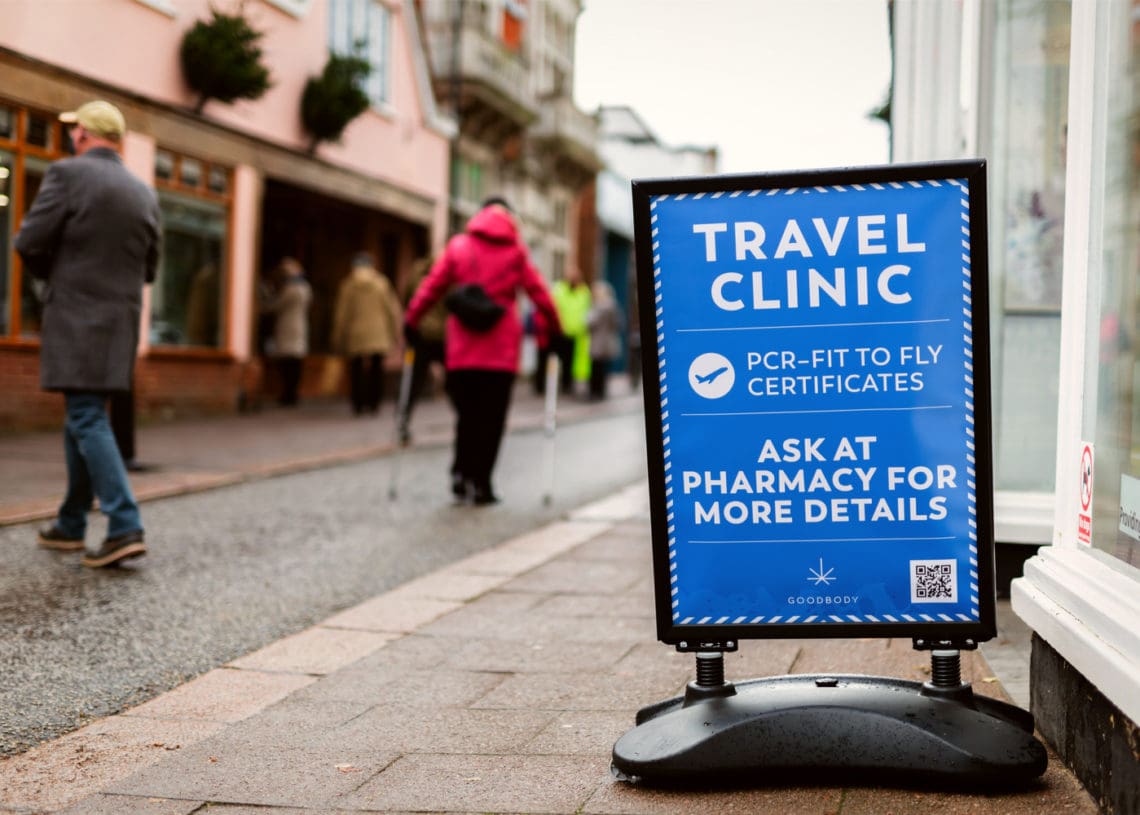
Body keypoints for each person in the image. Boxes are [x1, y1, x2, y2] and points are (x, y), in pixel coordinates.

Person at [14, 100, 160, 568]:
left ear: (83, 135)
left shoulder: (67, 174)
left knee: (86, 417)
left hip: (76, 316)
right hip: (119, 323)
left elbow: (28, 241)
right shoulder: (144, 192)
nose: (70, 137)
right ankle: (72, 522)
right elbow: (151, 268)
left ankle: (124, 524)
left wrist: (50, 281)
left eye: (73, 129)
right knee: (84, 413)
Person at [403, 196, 562, 505]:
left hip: (462, 350)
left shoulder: (459, 246)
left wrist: (412, 320)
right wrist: (553, 329)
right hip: (500, 353)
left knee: (466, 416)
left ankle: (460, 474)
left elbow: (431, 286)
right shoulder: (515, 251)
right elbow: (538, 293)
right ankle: (483, 483)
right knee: (492, 419)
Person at [331, 252, 402, 415]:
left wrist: (338, 337)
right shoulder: (382, 283)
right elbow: (391, 310)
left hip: (355, 334)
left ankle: (357, 405)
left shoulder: (348, 285)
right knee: (376, 369)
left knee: (356, 370)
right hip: (379, 333)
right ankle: (374, 404)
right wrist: (394, 334)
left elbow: (341, 314)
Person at [399, 253, 447, 442]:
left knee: (413, 381)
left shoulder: (416, 273)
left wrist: (410, 324)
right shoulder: (447, 276)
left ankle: (402, 420)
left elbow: (408, 301)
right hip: (441, 335)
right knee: (455, 382)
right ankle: (466, 423)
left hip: (418, 333)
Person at [263, 257, 311, 406]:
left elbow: (276, 305)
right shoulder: (305, 288)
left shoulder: (291, 289)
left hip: (288, 327)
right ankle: (291, 394)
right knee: (294, 362)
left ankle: (289, 395)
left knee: (288, 363)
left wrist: (263, 304)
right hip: (298, 327)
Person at [550, 265, 592, 395]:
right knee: (557, 360)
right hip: (560, 332)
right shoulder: (559, 290)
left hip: (577, 334)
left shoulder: (584, 292)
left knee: (572, 362)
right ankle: (554, 384)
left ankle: (567, 385)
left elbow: (588, 311)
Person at [586, 279, 623, 400]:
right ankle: (600, 392)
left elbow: (590, 322)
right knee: (602, 368)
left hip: (598, 341)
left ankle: (595, 392)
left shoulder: (599, 306)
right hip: (607, 341)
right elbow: (619, 323)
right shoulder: (613, 305)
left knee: (596, 368)